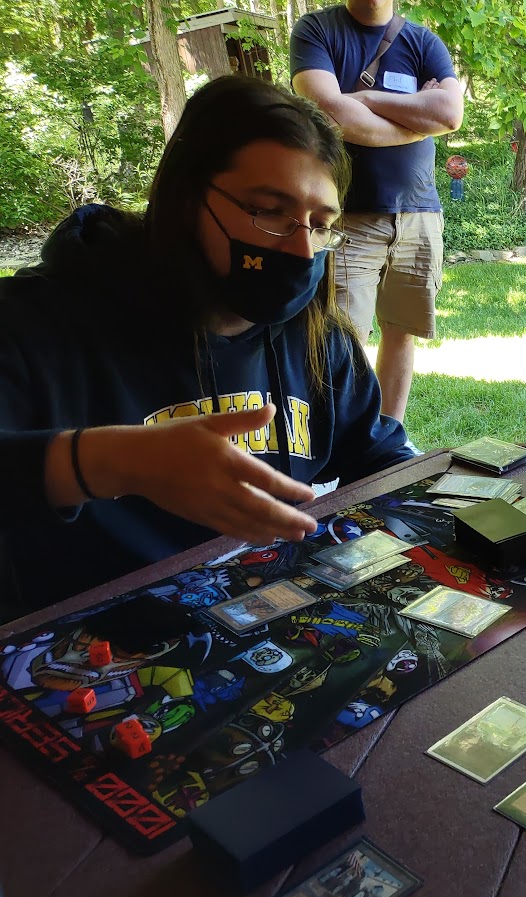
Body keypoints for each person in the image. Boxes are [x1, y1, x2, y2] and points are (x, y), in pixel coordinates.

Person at [0, 76, 414, 620]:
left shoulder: (314, 332)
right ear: (186, 198)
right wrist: (114, 462)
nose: (300, 250)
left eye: (320, 225)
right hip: (90, 643)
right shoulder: (33, 321)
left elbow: (379, 457)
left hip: (268, 616)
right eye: (268, 211)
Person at [290, 0, 464, 422]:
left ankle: (389, 440)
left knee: (402, 332)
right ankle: (336, 444)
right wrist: (416, 119)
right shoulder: (316, 31)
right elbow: (332, 114)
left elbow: (448, 113)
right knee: (340, 340)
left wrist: (366, 98)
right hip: (347, 219)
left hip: (419, 214)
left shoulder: (424, 42)